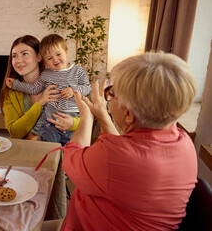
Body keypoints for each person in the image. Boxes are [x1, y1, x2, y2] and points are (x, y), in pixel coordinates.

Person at [58, 52, 198, 230]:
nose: (108, 98)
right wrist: (102, 115)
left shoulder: (113, 157)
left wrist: (86, 117)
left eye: (112, 94)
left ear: (129, 114)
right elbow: (124, 154)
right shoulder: (184, 142)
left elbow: (70, 159)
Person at [6, 34, 90, 145]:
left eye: (25, 54)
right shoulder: (44, 77)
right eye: (14, 56)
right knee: (49, 147)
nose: (18, 60)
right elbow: (15, 131)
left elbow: (87, 114)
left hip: (70, 126)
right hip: (40, 137)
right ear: (45, 59)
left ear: (38, 57)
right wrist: (17, 85)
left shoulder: (75, 73)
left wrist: (72, 123)